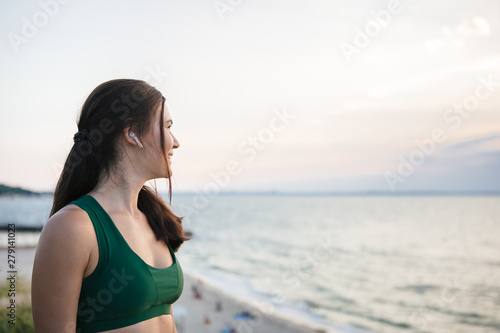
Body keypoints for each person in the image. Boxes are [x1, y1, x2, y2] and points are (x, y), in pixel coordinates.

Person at [31, 79, 190, 332]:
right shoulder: (72, 227)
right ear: (131, 134)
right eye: (167, 126)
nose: (176, 142)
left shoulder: (154, 217)